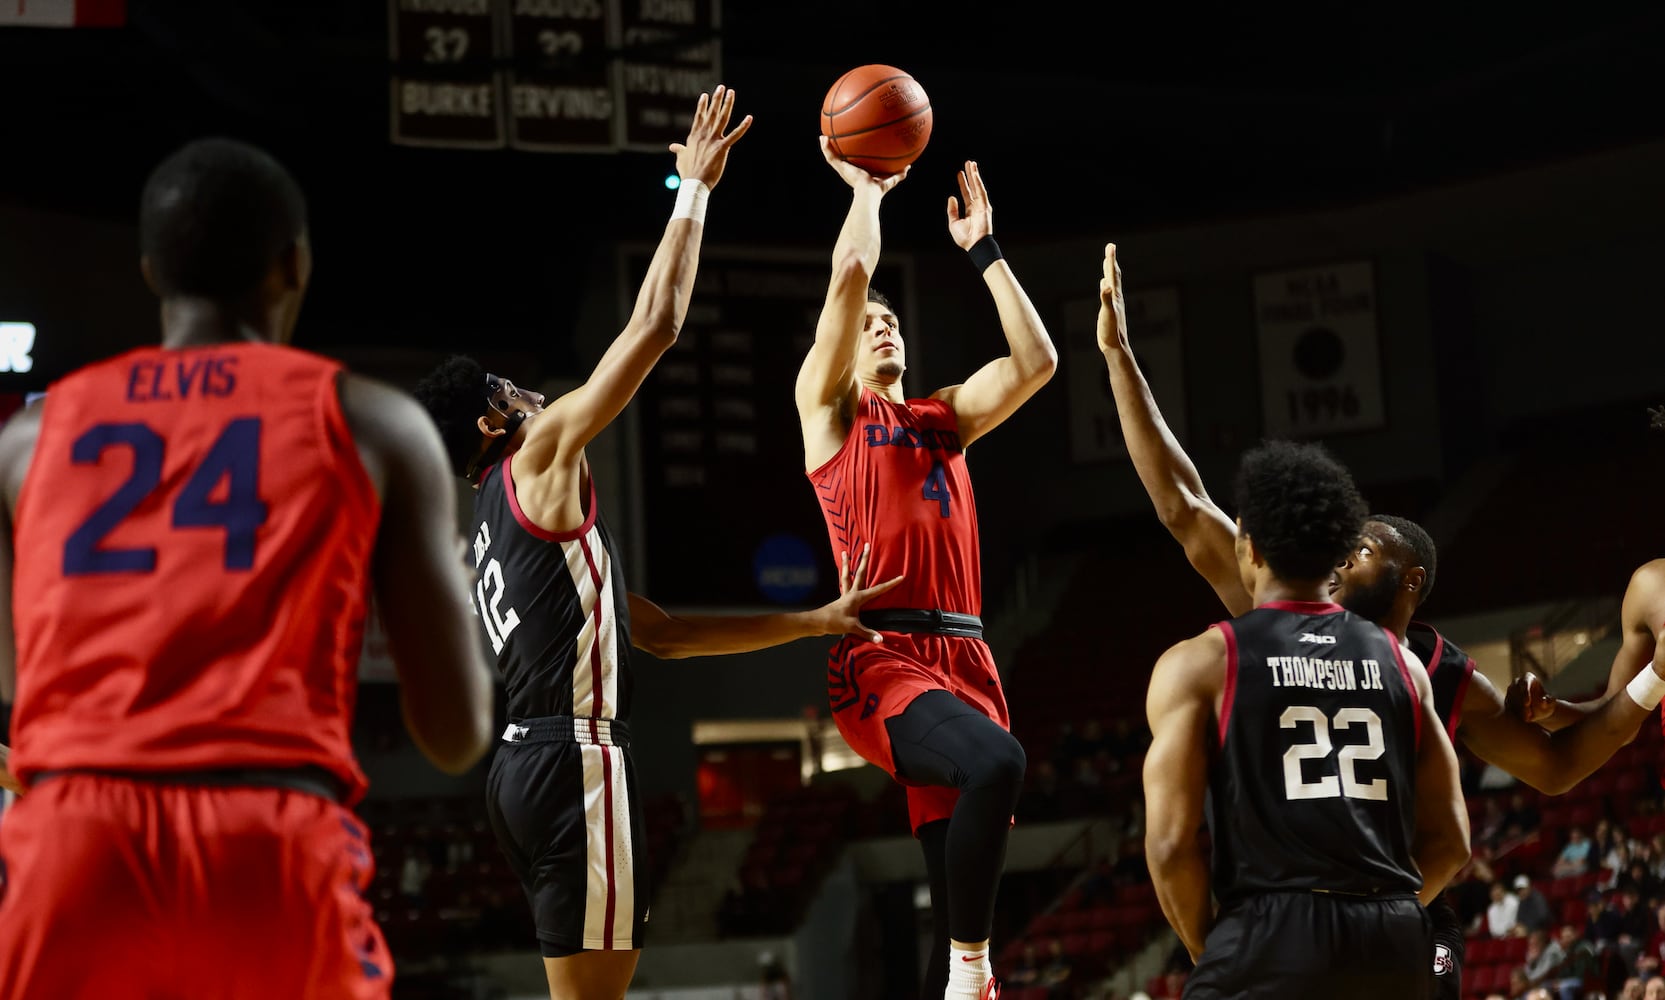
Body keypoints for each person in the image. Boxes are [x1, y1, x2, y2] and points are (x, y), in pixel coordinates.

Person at [413, 88, 905, 1000]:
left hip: (529, 769)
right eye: (514, 390)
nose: (532, 395)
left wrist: (812, 621)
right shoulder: (540, 455)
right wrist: (693, 189)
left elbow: (662, 633)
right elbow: (655, 327)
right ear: (491, 420)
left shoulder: (493, 522)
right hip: (574, 758)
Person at [1094, 241, 1665, 998]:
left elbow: (1555, 766)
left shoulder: (1428, 664)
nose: (1340, 557)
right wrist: (1121, 360)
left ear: (1409, 579)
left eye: (1361, 548)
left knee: (1432, 958)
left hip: (1389, 918)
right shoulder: (1280, 616)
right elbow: (1179, 501)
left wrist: (1656, 677)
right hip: (1330, 916)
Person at [0, 138, 495, 998]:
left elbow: (17, 679)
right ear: (293, 263)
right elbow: (454, 736)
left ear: (152, 270)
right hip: (264, 835)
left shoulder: (23, 442)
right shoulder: (376, 423)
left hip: (74, 842)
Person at [794, 138, 1056, 1000]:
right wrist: (867, 190)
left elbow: (1037, 364)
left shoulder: (942, 418)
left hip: (967, 659)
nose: (882, 323)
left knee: (954, 889)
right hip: (880, 656)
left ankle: (964, 974)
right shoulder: (830, 413)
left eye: (893, 319)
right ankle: (974, 978)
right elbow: (847, 279)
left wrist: (984, 251)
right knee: (998, 764)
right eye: (870, 324)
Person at [1143, 440, 1470, 999]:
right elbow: (1453, 841)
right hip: (1391, 936)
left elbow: (1171, 845)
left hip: (1269, 930)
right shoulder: (1403, 665)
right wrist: (1385, 910)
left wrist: (1212, 949)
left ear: (1247, 543)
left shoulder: (1202, 661)